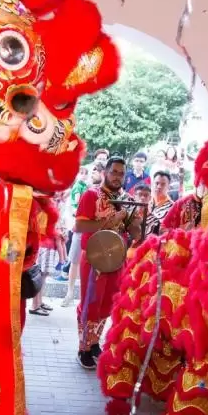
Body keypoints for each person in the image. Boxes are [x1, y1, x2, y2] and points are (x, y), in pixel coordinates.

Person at [75, 155, 142, 369]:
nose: (117, 177)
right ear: (105, 172)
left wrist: (136, 224)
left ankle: (95, 343)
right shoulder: (91, 195)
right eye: (114, 172)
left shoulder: (127, 199)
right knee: (90, 303)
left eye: (121, 173)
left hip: (117, 258)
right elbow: (80, 227)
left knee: (107, 304)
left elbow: (134, 232)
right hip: (94, 258)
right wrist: (109, 221)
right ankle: (83, 347)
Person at [61, 158, 105, 308]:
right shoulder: (84, 187)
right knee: (74, 261)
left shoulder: (107, 192)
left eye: (96, 171)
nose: (93, 173)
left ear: (103, 173)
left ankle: (85, 296)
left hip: (97, 233)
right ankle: (70, 292)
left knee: (91, 265)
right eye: (92, 171)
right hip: (80, 229)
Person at [145, 170, 175, 237]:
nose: (159, 186)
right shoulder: (146, 202)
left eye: (163, 184)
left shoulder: (173, 207)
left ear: (168, 187)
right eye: (157, 183)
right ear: (152, 184)